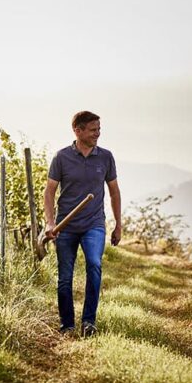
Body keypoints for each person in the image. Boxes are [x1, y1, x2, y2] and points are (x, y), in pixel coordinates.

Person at [43, 111, 122, 336]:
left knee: (94, 265)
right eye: (93, 129)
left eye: (99, 129)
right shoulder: (61, 157)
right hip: (65, 226)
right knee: (65, 276)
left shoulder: (106, 157)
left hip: (94, 224)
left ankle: (89, 322)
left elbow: (114, 192)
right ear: (77, 131)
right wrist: (50, 223)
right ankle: (67, 325)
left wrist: (118, 224)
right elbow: (49, 192)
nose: (98, 133)